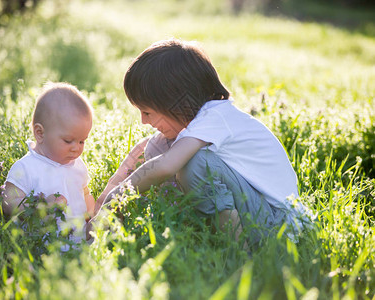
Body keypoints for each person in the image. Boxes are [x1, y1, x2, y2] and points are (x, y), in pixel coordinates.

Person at [93, 39, 311, 246]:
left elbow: (166, 165)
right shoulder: (201, 125)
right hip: (256, 211)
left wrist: (115, 198)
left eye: (147, 111)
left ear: (174, 101)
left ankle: (239, 255)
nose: (143, 121)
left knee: (196, 164)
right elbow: (149, 158)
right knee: (158, 147)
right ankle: (183, 228)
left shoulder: (216, 117)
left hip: (277, 224)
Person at [3, 82, 95, 245]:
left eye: (82, 141)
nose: (76, 148)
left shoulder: (77, 165)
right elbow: (8, 203)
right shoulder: (26, 167)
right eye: (68, 141)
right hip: (43, 248)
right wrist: (42, 207)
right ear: (40, 133)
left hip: (79, 243)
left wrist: (92, 215)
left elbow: (85, 194)